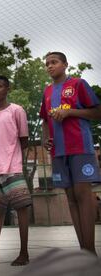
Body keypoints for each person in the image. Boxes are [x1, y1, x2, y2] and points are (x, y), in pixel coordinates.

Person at [40, 52, 101, 254]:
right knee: (71, 198)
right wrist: (45, 138)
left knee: (83, 195)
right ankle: (83, 250)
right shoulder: (47, 91)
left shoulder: (78, 84)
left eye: (54, 62)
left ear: (65, 64)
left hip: (80, 148)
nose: (50, 66)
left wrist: (70, 112)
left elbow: (96, 112)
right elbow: (44, 120)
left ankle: (91, 250)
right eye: (47, 63)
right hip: (59, 151)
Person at [0, 75, 31, 266]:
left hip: (12, 167)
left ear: (7, 88)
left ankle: (24, 253)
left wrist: (11, 156)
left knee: (21, 208)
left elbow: (23, 139)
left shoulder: (17, 110)